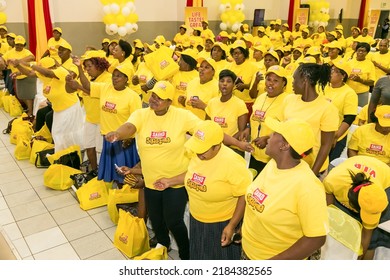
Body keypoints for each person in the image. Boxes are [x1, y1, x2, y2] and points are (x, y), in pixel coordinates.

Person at [105, 80, 253, 260]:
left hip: (177, 180)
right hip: (151, 180)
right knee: (157, 221)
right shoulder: (141, 115)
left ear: (169, 101)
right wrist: (118, 134)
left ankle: (186, 253)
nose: (154, 100)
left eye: (160, 98)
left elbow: (211, 131)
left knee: (173, 221)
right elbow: (130, 127)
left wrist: (238, 144)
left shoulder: (182, 116)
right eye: (153, 96)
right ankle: (163, 245)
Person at [154, 120, 252, 260]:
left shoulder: (232, 163)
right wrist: (169, 181)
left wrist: (232, 225)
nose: (198, 153)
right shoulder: (199, 154)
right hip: (198, 220)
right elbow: (192, 175)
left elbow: (244, 195)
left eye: (203, 149)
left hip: (221, 223)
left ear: (217, 146)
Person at [241, 118, 328, 259]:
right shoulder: (273, 165)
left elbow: (316, 238)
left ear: (285, 145)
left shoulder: (308, 187)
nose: (269, 136)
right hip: (250, 251)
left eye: (275, 133)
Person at [323, 155, 390, 259]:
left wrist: (358, 257)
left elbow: (366, 235)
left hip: (385, 179)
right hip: (353, 168)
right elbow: (329, 212)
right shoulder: (333, 181)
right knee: (337, 226)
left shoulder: (375, 200)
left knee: (372, 238)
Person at [280, 63, 339, 177]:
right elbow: (283, 130)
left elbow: (326, 146)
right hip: (288, 163)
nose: (292, 82)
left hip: (311, 168)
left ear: (305, 81)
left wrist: (313, 174)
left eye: (294, 79)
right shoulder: (289, 100)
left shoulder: (327, 108)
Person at [245, 65, 291, 174]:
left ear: (284, 83)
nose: (270, 83)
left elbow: (289, 129)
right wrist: (248, 129)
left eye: (276, 81)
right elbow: (254, 119)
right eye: (268, 79)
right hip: (255, 153)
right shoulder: (261, 97)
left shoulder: (288, 101)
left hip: (273, 158)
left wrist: (267, 138)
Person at [78, 50, 111, 171]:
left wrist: (79, 86)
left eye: (89, 66)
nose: (87, 69)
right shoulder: (89, 78)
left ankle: (103, 173)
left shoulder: (108, 78)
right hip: (90, 118)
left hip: (102, 120)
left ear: (99, 65)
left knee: (101, 149)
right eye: (85, 66)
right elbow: (76, 90)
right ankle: (94, 170)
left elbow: (91, 90)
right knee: (89, 145)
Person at [205, 69, 248, 154]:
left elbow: (241, 131)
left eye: (228, 81)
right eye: (222, 81)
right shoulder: (212, 102)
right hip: (213, 147)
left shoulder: (240, 104)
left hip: (233, 149)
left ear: (233, 85)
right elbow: (207, 126)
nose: (224, 84)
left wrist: (224, 144)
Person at [323, 59, 358, 161]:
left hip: (336, 136)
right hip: (319, 132)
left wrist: (335, 136)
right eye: (331, 70)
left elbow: (349, 118)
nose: (331, 72)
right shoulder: (323, 86)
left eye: (335, 71)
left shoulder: (349, 93)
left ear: (343, 76)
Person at [0, 35, 36, 117]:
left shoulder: (26, 52)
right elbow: (3, 58)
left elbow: (32, 57)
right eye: (17, 44)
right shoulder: (10, 52)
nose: (19, 46)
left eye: (21, 45)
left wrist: (18, 61)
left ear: (24, 45)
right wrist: (2, 62)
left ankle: (30, 111)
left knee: (28, 95)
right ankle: (29, 108)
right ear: (14, 44)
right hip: (17, 76)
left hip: (27, 75)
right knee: (21, 95)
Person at [346, 42, 376, 107]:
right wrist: (347, 76)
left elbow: (372, 82)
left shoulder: (370, 64)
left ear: (367, 53)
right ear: (356, 51)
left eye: (363, 51)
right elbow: (342, 77)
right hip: (348, 92)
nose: (360, 52)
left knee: (360, 111)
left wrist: (360, 80)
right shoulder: (349, 62)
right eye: (359, 50)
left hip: (362, 93)